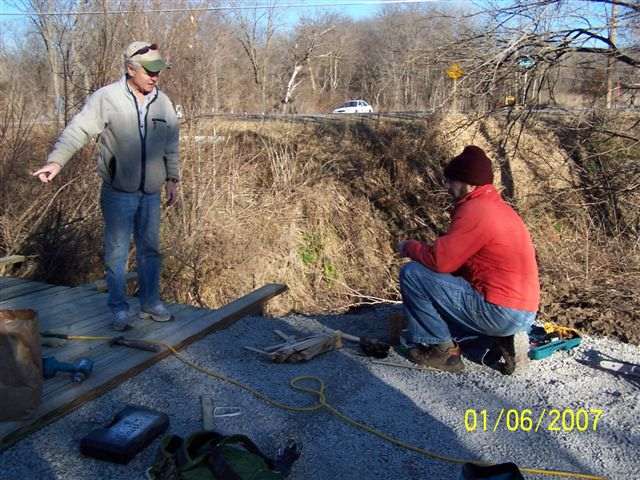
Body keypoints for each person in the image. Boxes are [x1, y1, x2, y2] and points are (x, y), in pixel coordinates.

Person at [33, 41, 180, 331]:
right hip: (118, 192)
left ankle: (151, 303)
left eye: (159, 72)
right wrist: (56, 161)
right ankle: (119, 308)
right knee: (116, 251)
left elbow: (171, 143)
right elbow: (78, 130)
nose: (155, 77)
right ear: (130, 69)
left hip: (151, 192)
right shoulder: (106, 98)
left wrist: (173, 178)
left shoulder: (163, 102)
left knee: (150, 250)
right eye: (150, 72)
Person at [397, 145, 539, 374]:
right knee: (446, 298)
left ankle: (443, 352)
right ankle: (499, 338)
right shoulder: (499, 208)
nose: (447, 186)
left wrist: (409, 247)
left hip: (500, 312)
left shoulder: (475, 210)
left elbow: (440, 262)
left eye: (451, 180)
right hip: (523, 313)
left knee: (412, 274)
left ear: (466, 182)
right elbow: (461, 264)